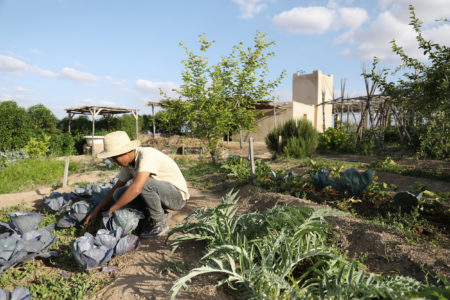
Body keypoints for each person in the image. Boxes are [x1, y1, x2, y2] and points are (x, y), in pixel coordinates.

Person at [83, 131, 189, 237]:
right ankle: (157, 214)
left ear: (126, 152)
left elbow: (137, 188)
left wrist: (111, 209)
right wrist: (97, 210)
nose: (114, 162)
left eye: (115, 158)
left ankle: (158, 223)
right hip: (160, 195)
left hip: (176, 198)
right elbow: (116, 186)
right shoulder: (128, 164)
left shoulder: (147, 155)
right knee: (118, 193)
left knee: (143, 184)